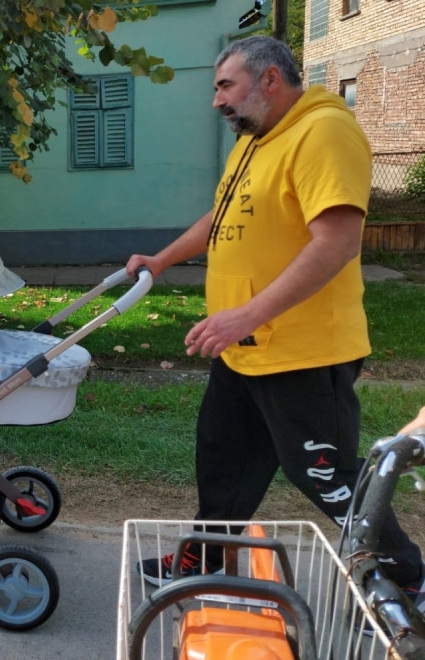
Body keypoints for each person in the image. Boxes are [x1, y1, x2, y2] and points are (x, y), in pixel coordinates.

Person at [125, 36, 424, 607]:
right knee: (222, 458)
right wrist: (163, 260)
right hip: (248, 346)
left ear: (269, 80)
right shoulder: (255, 142)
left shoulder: (324, 132)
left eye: (225, 86)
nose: (217, 102)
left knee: (322, 473)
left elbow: (336, 243)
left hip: (304, 350)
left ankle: (409, 576)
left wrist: (247, 314)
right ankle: (206, 559)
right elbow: (224, 214)